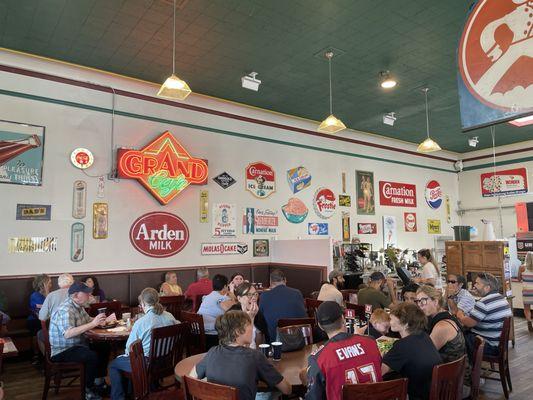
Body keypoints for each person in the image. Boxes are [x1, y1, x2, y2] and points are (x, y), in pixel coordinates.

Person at [190, 310, 291, 400]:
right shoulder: (255, 356)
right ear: (238, 332)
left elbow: (192, 378)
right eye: (249, 326)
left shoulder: (212, 352)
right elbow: (287, 389)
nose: (252, 329)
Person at [303, 301, 382, 400]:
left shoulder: (318, 358)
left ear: (320, 326)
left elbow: (313, 397)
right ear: (343, 319)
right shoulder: (371, 342)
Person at [109, 288, 177, 400]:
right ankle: (142, 388)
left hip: (146, 365)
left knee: (114, 364)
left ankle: (119, 397)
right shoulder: (170, 316)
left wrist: (124, 355)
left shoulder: (141, 322)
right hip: (166, 362)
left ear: (143, 303)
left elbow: (129, 349)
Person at [49, 282, 111, 400]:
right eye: (86, 293)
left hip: (77, 345)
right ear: (76, 295)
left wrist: (102, 320)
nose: (89, 294)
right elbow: (68, 333)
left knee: (104, 346)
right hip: (62, 351)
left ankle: (99, 382)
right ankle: (88, 390)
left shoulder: (78, 306)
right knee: (90, 356)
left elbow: (88, 321)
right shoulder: (65, 310)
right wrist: (93, 324)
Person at [381, 302, 442, 400]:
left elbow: (379, 372)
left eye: (391, 319)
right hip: (433, 391)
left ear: (405, 323)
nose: (389, 322)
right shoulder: (424, 336)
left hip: (415, 395)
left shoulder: (402, 345)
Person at [455, 273, 513, 359]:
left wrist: (459, 314)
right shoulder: (502, 299)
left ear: (487, 288)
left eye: (477, 283)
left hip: (488, 346)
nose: (474, 285)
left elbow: (469, 323)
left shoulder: (483, 303)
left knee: (456, 338)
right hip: (498, 344)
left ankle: (466, 368)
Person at [415, 285, 466, 363]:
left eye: (423, 300)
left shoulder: (442, 326)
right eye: (418, 301)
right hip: (443, 365)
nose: (419, 305)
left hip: (450, 371)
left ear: (435, 301)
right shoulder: (441, 314)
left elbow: (424, 354)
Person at [259, 269, 307, 342]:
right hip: (297, 340)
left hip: (274, 341)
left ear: (270, 282)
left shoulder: (264, 296)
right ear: (285, 280)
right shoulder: (297, 293)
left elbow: (261, 320)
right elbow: (303, 316)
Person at [198, 274, 236, 347]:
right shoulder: (223, 299)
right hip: (211, 335)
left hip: (198, 333)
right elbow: (236, 310)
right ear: (225, 286)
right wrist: (232, 295)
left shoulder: (207, 297)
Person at [228, 282, 268, 347]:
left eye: (255, 294)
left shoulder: (258, 314)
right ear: (239, 298)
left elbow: (261, 345)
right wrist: (251, 318)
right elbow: (242, 345)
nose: (254, 298)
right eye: (249, 295)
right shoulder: (232, 316)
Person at [28, 274, 51, 362]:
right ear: (43, 284)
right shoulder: (35, 295)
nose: (50, 285)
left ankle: (50, 354)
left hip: (46, 319)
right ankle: (38, 355)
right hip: (34, 320)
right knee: (40, 330)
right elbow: (40, 307)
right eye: (48, 283)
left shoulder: (49, 294)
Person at [518, 251, 533, 331]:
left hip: (526, 291)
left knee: (527, 308)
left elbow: (519, 279)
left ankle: (529, 321)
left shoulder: (522, 267)